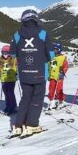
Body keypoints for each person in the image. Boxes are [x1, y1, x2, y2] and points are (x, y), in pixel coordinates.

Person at [9, 9, 54, 137]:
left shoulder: (17, 35)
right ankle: (32, 125)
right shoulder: (43, 33)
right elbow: (51, 54)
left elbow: (12, 54)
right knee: (37, 98)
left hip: (24, 73)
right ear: (36, 19)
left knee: (25, 98)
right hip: (39, 72)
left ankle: (18, 125)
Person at [0, 45, 18, 115]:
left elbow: (18, 66)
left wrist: (17, 73)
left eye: (6, 53)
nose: (4, 54)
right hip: (4, 80)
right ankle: (8, 106)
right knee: (6, 93)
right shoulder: (0, 60)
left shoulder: (13, 59)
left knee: (10, 93)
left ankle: (13, 106)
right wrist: (0, 75)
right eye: (3, 53)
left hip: (11, 79)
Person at [47, 43, 68, 110]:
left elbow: (66, 66)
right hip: (52, 77)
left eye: (56, 49)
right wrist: (47, 74)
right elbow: (48, 67)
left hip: (59, 77)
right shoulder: (50, 57)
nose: (54, 51)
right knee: (51, 89)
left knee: (59, 89)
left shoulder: (62, 58)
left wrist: (62, 72)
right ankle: (52, 101)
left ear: (59, 50)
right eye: (53, 49)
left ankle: (61, 101)